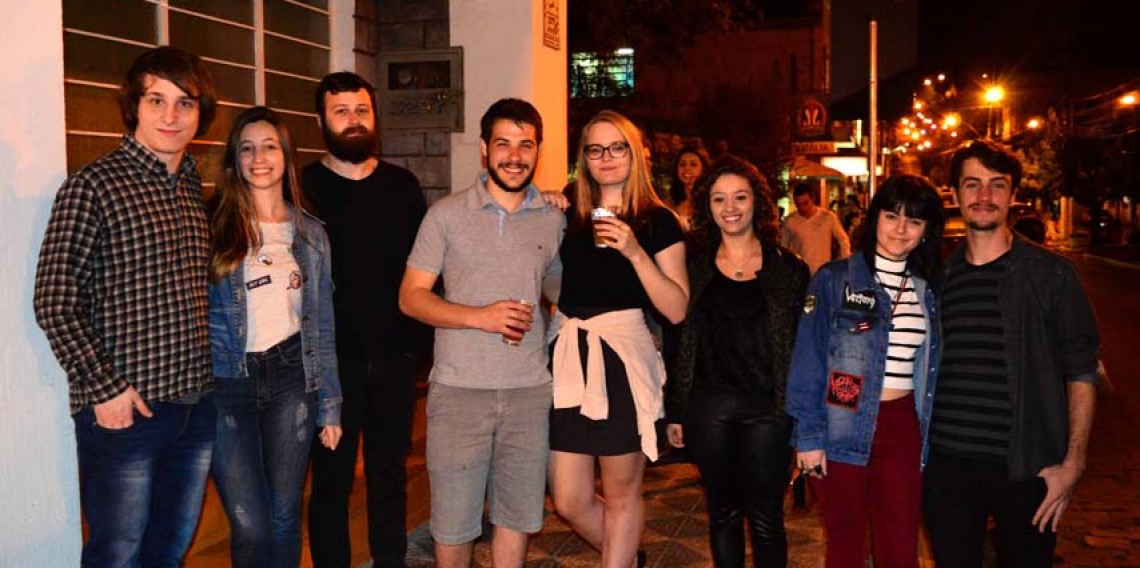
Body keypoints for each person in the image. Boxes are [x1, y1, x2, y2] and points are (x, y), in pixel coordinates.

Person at [33, 46, 218, 567]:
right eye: (156, 100)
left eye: (185, 103)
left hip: (195, 405)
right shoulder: (92, 186)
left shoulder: (192, 188)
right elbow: (54, 300)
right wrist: (105, 388)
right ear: (134, 106)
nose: (170, 115)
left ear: (200, 114)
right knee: (117, 553)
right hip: (126, 411)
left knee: (169, 551)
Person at [398, 98, 564, 568]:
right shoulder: (446, 215)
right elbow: (410, 297)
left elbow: (560, 290)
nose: (515, 156)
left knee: (517, 517)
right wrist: (481, 317)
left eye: (526, 145)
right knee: (453, 523)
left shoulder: (553, 219)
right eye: (503, 144)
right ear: (485, 149)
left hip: (529, 392)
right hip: (458, 392)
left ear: (539, 150)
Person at [923, 139, 1099, 568]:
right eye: (972, 184)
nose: (984, 196)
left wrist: (1073, 463)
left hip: (1027, 467)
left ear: (1013, 195)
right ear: (955, 194)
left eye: (997, 185)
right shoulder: (938, 279)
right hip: (948, 469)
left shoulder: (1051, 275)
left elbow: (1082, 369)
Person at [548, 110, 689, 568]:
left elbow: (676, 308)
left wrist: (633, 251)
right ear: (583, 158)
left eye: (616, 147)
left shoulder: (657, 220)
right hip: (570, 354)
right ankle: (627, 558)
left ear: (635, 153)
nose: (606, 157)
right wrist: (543, 202)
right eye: (595, 149)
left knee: (620, 491)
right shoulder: (569, 209)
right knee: (568, 498)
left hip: (623, 357)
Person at [204, 106, 343, 568]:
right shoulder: (211, 227)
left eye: (269, 147)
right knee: (250, 524)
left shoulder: (312, 235)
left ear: (286, 155)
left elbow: (322, 324)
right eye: (247, 149)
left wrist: (330, 406)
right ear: (235, 159)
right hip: (227, 383)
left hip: (291, 380)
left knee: (284, 518)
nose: (258, 158)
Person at [786, 174, 945, 568]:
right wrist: (808, 438)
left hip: (902, 427)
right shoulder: (834, 279)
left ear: (926, 230)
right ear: (875, 218)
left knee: (900, 549)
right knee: (845, 547)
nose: (900, 229)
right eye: (892, 216)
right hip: (841, 422)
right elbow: (808, 359)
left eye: (914, 221)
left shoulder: (927, 291)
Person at [303, 71, 427, 568]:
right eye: (341, 112)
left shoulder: (403, 187)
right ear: (321, 121)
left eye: (361, 111)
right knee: (330, 482)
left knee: (389, 478)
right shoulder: (302, 188)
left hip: (394, 361)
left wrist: (417, 350)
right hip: (328, 366)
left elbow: (428, 271)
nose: (353, 121)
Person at [664, 156, 809, 567]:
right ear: (706, 206)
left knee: (767, 518)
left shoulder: (790, 269)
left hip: (770, 410)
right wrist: (675, 410)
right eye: (719, 199)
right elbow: (678, 340)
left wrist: (804, 418)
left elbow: (804, 348)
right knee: (723, 514)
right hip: (708, 408)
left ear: (757, 201)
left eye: (740, 197)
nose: (730, 207)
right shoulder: (692, 267)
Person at [779, 182, 851, 274]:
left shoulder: (827, 217)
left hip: (823, 273)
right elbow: (783, 249)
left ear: (812, 199)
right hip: (800, 275)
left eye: (805, 203)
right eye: (798, 204)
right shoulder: (789, 222)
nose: (802, 208)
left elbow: (843, 240)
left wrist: (843, 263)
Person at [666, 144, 711, 228]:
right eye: (682, 164)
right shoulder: (670, 202)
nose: (687, 169)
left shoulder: (710, 202)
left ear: (703, 169)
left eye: (693, 165)